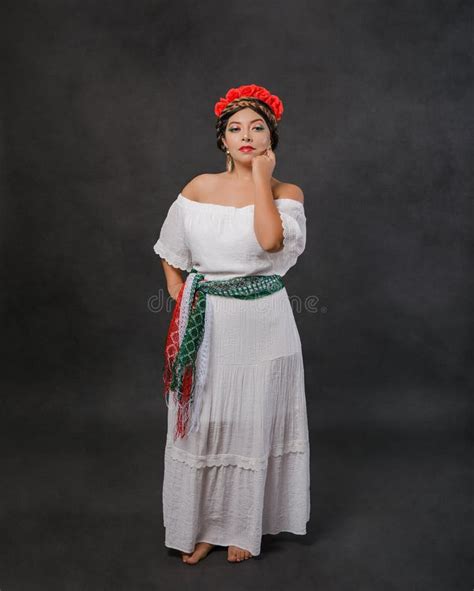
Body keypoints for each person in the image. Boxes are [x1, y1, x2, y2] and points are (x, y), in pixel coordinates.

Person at [153, 83, 310, 565]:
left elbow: (268, 242)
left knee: (253, 420)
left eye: (257, 128)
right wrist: (182, 293)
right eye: (235, 128)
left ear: (270, 140)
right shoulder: (198, 188)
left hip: (262, 323)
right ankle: (201, 525)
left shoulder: (286, 193)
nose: (246, 136)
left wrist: (262, 180)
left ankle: (245, 525)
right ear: (222, 140)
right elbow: (169, 250)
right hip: (209, 322)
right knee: (204, 421)